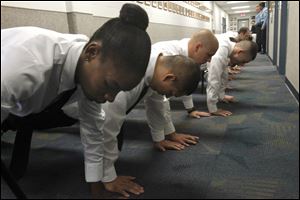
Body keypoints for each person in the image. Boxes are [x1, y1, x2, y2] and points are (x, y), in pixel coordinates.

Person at [1, 2, 151, 196]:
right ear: (91, 52)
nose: (111, 98)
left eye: (119, 90)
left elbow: (93, 132)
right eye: (111, 86)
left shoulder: (88, 66)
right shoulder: (22, 70)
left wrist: (96, 192)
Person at [62, 50, 202, 197]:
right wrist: (108, 177)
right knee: (108, 128)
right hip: (62, 107)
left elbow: (157, 103)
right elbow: (104, 129)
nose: (168, 96)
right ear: (169, 77)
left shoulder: (154, 70)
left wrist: (160, 138)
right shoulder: (127, 77)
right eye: (172, 92)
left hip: (92, 107)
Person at [152, 29, 219, 118]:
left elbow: (185, 82)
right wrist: (170, 132)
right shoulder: (169, 55)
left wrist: (191, 109)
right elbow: (160, 100)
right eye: (209, 55)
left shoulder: (188, 55)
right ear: (198, 47)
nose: (209, 60)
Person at [206, 34, 258, 117]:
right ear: (239, 52)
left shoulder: (228, 49)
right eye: (243, 61)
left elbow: (224, 75)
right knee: (215, 79)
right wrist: (213, 108)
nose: (242, 65)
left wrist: (221, 96)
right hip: (181, 61)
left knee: (223, 74)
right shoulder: (220, 52)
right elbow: (213, 80)